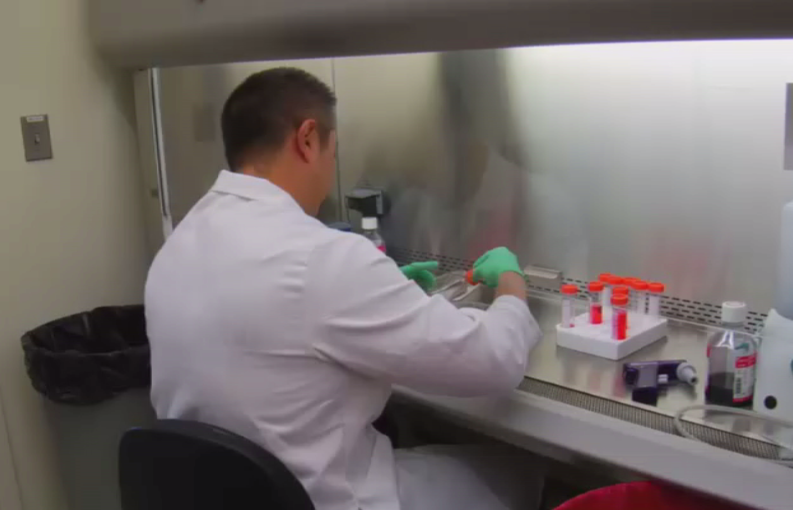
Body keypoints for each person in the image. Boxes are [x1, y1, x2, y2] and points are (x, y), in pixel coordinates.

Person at [144, 67, 543, 510]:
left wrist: (385, 288)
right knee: (521, 471)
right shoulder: (321, 258)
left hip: (222, 498)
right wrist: (512, 286)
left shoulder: (177, 247)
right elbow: (492, 360)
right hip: (330, 500)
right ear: (307, 139)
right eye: (333, 153)